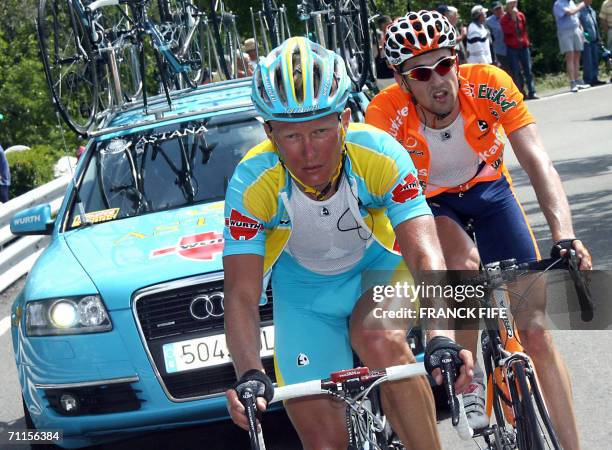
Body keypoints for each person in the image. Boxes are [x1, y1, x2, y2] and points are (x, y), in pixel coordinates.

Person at [223, 36, 474, 449]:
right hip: (304, 299)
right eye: (290, 137)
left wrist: (440, 337)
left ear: (343, 119)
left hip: (376, 275)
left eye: (321, 131)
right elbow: (241, 292)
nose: (308, 153)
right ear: (268, 131)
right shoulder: (252, 182)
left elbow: (423, 252)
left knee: (376, 336)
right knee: (324, 444)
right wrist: (249, 372)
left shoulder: (377, 153)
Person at [366, 10, 592, 449]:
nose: (438, 80)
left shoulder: (489, 82)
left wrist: (564, 234)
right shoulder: (384, 113)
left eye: (445, 64)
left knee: (537, 335)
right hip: (429, 202)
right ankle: (468, 375)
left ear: (457, 58)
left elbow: (536, 161)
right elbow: (381, 196)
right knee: (464, 265)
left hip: (490, 193)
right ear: (401, 81)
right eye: (421, 72)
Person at [501, 0, 538, 99]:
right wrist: (513, 19)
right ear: (507, 6)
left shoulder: (521, 16)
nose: (514, 5)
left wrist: (526, 41)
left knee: (528, 70)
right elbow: (508, 32)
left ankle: (532, 91)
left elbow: (524, 30)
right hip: (512, 48)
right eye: (511, 3)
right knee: (516, 72)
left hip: (523, 46)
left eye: (515, 3)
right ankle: (520, 93)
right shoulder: (504, 19)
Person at [553, 0, 591, 92]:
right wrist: (582, 5)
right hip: (565, 32)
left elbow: (576, 16)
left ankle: (578, 80)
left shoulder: (571, 2)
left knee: (577, 55)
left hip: (575, 29)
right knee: (570, 56)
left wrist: (580, 27)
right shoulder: (558, 4)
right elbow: (570, 12)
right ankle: (572, 82)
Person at [579, 0, 606, 85]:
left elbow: (595, 25)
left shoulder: (592, 10)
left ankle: (595, 78)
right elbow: (580, 25)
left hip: (595, 39)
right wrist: (585, 36)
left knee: (595, 59)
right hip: (586, 39)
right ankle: (588, 80)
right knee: (588, 61)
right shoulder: (579, 10)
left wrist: (599, 37)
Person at [486, 2, 510, 72]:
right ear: (493, 11)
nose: (499, 10)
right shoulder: (488, 21)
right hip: (499, 51)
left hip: (512, 49)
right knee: (504, 71)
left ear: (503, 7)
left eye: (500, 8)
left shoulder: (510, 16)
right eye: (496, 9)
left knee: (516, 70)